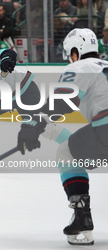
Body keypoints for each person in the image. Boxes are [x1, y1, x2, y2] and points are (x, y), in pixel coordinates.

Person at [17, 28, 108, 246]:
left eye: (70, 53)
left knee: (67, 152)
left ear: (76, 51)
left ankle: (81, 215)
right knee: (77, 145)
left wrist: (32, 124)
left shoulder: (79, 66)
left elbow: (63, 101)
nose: (70, 58)